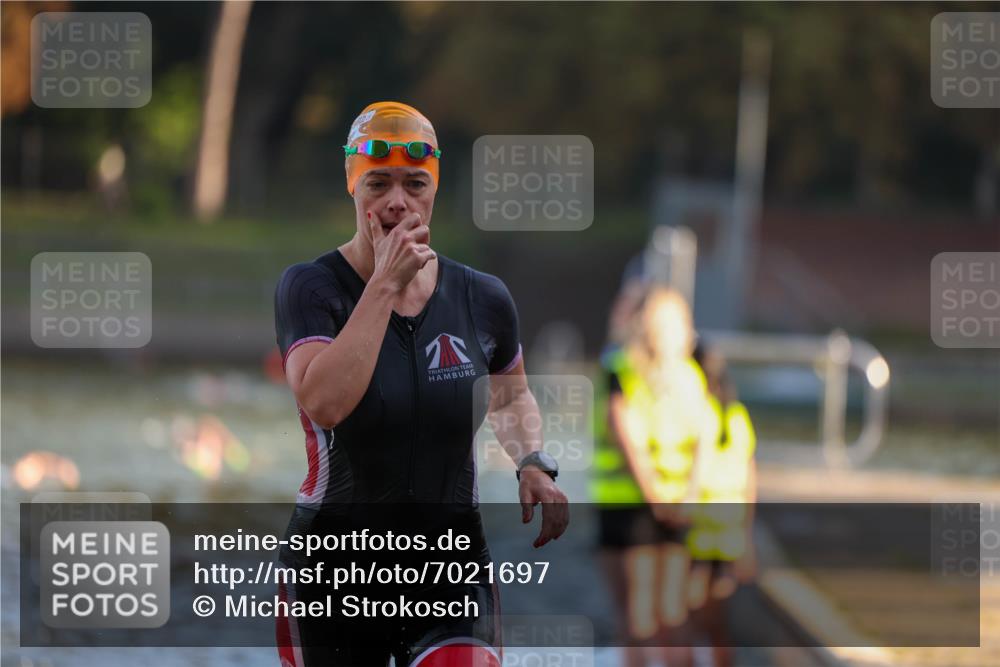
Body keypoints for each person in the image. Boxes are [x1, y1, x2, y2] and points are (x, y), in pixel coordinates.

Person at [273, 101, 569, 667]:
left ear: (434, 188)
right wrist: (384, 286)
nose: (397, 201)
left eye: (414, 184)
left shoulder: (482, 297)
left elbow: (510, 394)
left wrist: (532, 461)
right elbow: (325, 403)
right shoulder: (310, 289)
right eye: (378, 183)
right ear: (352, 185)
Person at [591, 285, 714, 667]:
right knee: (665, 612)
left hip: (638, 504)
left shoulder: (626, 369)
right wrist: (683, 498)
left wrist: (663, 499)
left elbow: (627, 437)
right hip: (665, 503)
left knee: (643, 614)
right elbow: (702, 440)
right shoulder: (688, 374)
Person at [685, 343, 757, 667]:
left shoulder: (695, 413)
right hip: (728, 527)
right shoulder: (737, 414)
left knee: (687, 617)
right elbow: (750, 478)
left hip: (696, 525)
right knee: (717, 621)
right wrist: (747, 536)